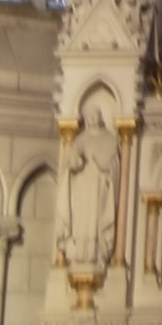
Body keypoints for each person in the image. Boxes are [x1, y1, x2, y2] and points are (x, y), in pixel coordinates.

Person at [57, 94, 120, 269]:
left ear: (100, 117)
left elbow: (114, 165)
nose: (92, 118)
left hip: (99, 187)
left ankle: (97, 253)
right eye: (89, 115)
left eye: (95, 114)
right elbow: (70, 164)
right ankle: (77, 253)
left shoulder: (110, 139)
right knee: (80, 221)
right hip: (81, 187)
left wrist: (103, 163)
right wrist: (76, 162)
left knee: (96, 221)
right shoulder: (79, 139)